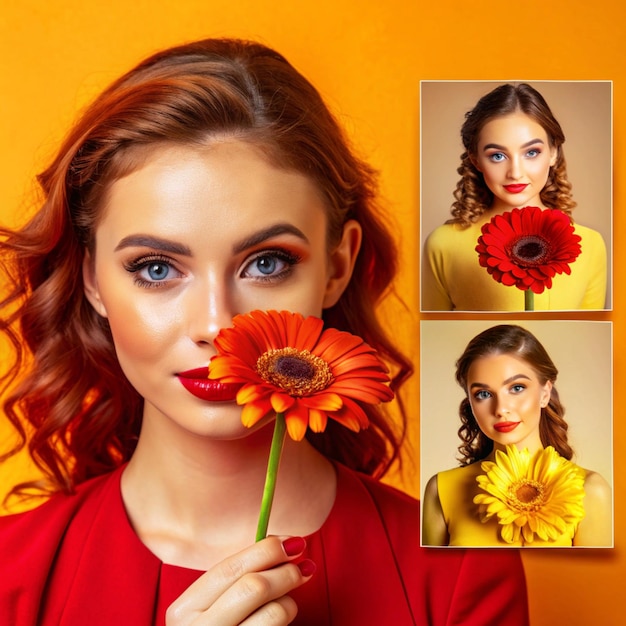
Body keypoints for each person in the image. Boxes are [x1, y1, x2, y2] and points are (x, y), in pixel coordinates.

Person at [0, 38, 528, 624]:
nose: (217, 326)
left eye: (267, 263)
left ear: (336, 267)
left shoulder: (459, 571)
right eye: (155, 268)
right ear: (91, 279)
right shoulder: (10, 577)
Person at [422, 82, 607, 311]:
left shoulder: (589, 245)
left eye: (531, 152)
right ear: (475, 159)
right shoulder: (443, 244)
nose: (515, 173)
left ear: (553, 153)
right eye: (498, 156)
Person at [422, 324, 612, 547]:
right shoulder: (441, 490)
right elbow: (430, 580)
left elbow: (597, 581)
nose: (501, 408)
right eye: (483, 394)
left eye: (517, 388)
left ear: (545, 393)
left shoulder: (590, 491)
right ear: (470, 403)